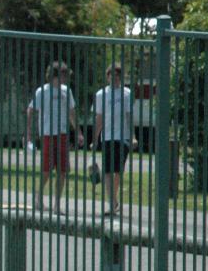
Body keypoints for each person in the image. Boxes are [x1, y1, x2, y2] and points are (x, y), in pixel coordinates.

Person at [26, 60, 85, 213]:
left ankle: (57, 204)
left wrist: (78, 132)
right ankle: (38, 197)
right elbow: (31, 110)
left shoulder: (67, 91)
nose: (65, 79)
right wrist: (29, 134)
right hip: (47, 134)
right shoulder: (42, 91)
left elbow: (72, 113)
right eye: (63, 75)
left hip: (62, 134)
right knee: (46, 170)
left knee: (63, 171)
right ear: (55, 75)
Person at [92, 63, 136, 217]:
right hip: (108, 137)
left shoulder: (127, 93)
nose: (115, 79)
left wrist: (133, 136)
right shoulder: (101, 94)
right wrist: (95, 138)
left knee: (118, 171)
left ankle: (113, 199)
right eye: (112, 76)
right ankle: (112, 203)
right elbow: (99, 117)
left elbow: (129, 116)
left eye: (118, 76)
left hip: (123, 136)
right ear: (108, 77)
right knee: (108, 171)